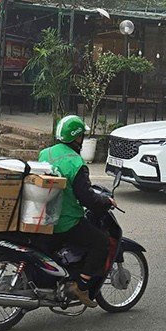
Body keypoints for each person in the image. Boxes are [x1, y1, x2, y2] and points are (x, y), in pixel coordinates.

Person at [39, 115, 113, 307]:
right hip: (66, 221)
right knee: (101, 242)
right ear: (76, 137)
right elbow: (87, 198)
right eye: (81, 136)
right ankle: (80, 285)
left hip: (43, 218)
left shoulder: (45, 153)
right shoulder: (76, 163)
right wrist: (106, 202)